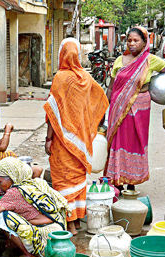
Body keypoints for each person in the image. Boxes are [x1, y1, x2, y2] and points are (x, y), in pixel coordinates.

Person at [105, 26, 165, 191]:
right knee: (117, 140)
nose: (132, 44)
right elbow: (111, 87)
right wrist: (105, 106)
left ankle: (132, 181)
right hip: (118, 105)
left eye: (136, 40)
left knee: (135, 141)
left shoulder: (150, 60)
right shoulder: (119, 61)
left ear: (144, 42)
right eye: (129, 40)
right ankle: (117, 179)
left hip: (140, 106)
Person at [43, 38, 109, 236]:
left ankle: (69, 223)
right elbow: (101, 100)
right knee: (78, 179)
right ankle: (78, 220)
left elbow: (53, 114)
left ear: (62, 54)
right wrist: (90, 128)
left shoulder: (60, 78)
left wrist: (48, 139)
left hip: (63, 141)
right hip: (81, 141)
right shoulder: (85, 78)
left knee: (63, 181)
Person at [0, 157, 69, 257]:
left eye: (0, 182)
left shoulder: (14, 193)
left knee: (1, 217)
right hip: (59, 238)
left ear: (12, 177)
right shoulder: (36, 183)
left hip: (45, 244)